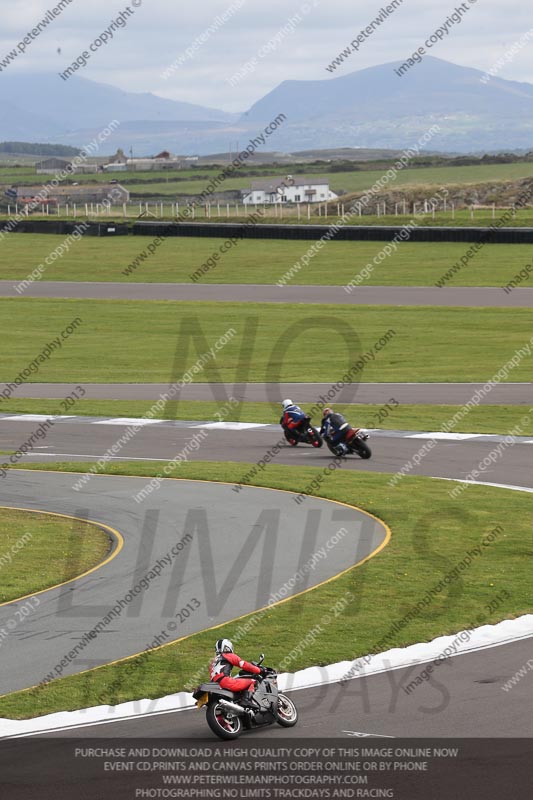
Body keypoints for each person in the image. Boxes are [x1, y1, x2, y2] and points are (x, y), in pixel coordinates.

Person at [209, 639, 265, 705]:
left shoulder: (213, 661)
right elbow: (244, 664)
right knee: (253, 681)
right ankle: (246, 700)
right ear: (228, 647)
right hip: (225, 682)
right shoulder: (229, 655)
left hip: (214, 685)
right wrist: (259, 670)